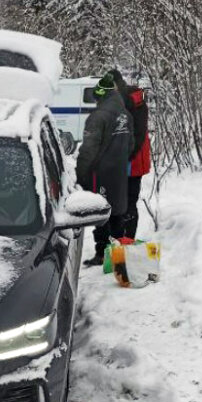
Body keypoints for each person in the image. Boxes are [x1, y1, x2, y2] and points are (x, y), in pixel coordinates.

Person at [75, 72, 133, 268]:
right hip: (120, 172)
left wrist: (81, 174)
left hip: (100, 173)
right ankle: (116, 254)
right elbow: (131, 145)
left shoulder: (98, 117)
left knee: (101, 213)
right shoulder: (126, 115)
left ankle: (102, 253)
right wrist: (119, 160)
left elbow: (88, 150)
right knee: (117, 211)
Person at [108, 69, 151, 239]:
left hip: (133, 161)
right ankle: (117, 239)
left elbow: (138, 134)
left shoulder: (136, 102)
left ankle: (128, 240)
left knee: (129, 202)